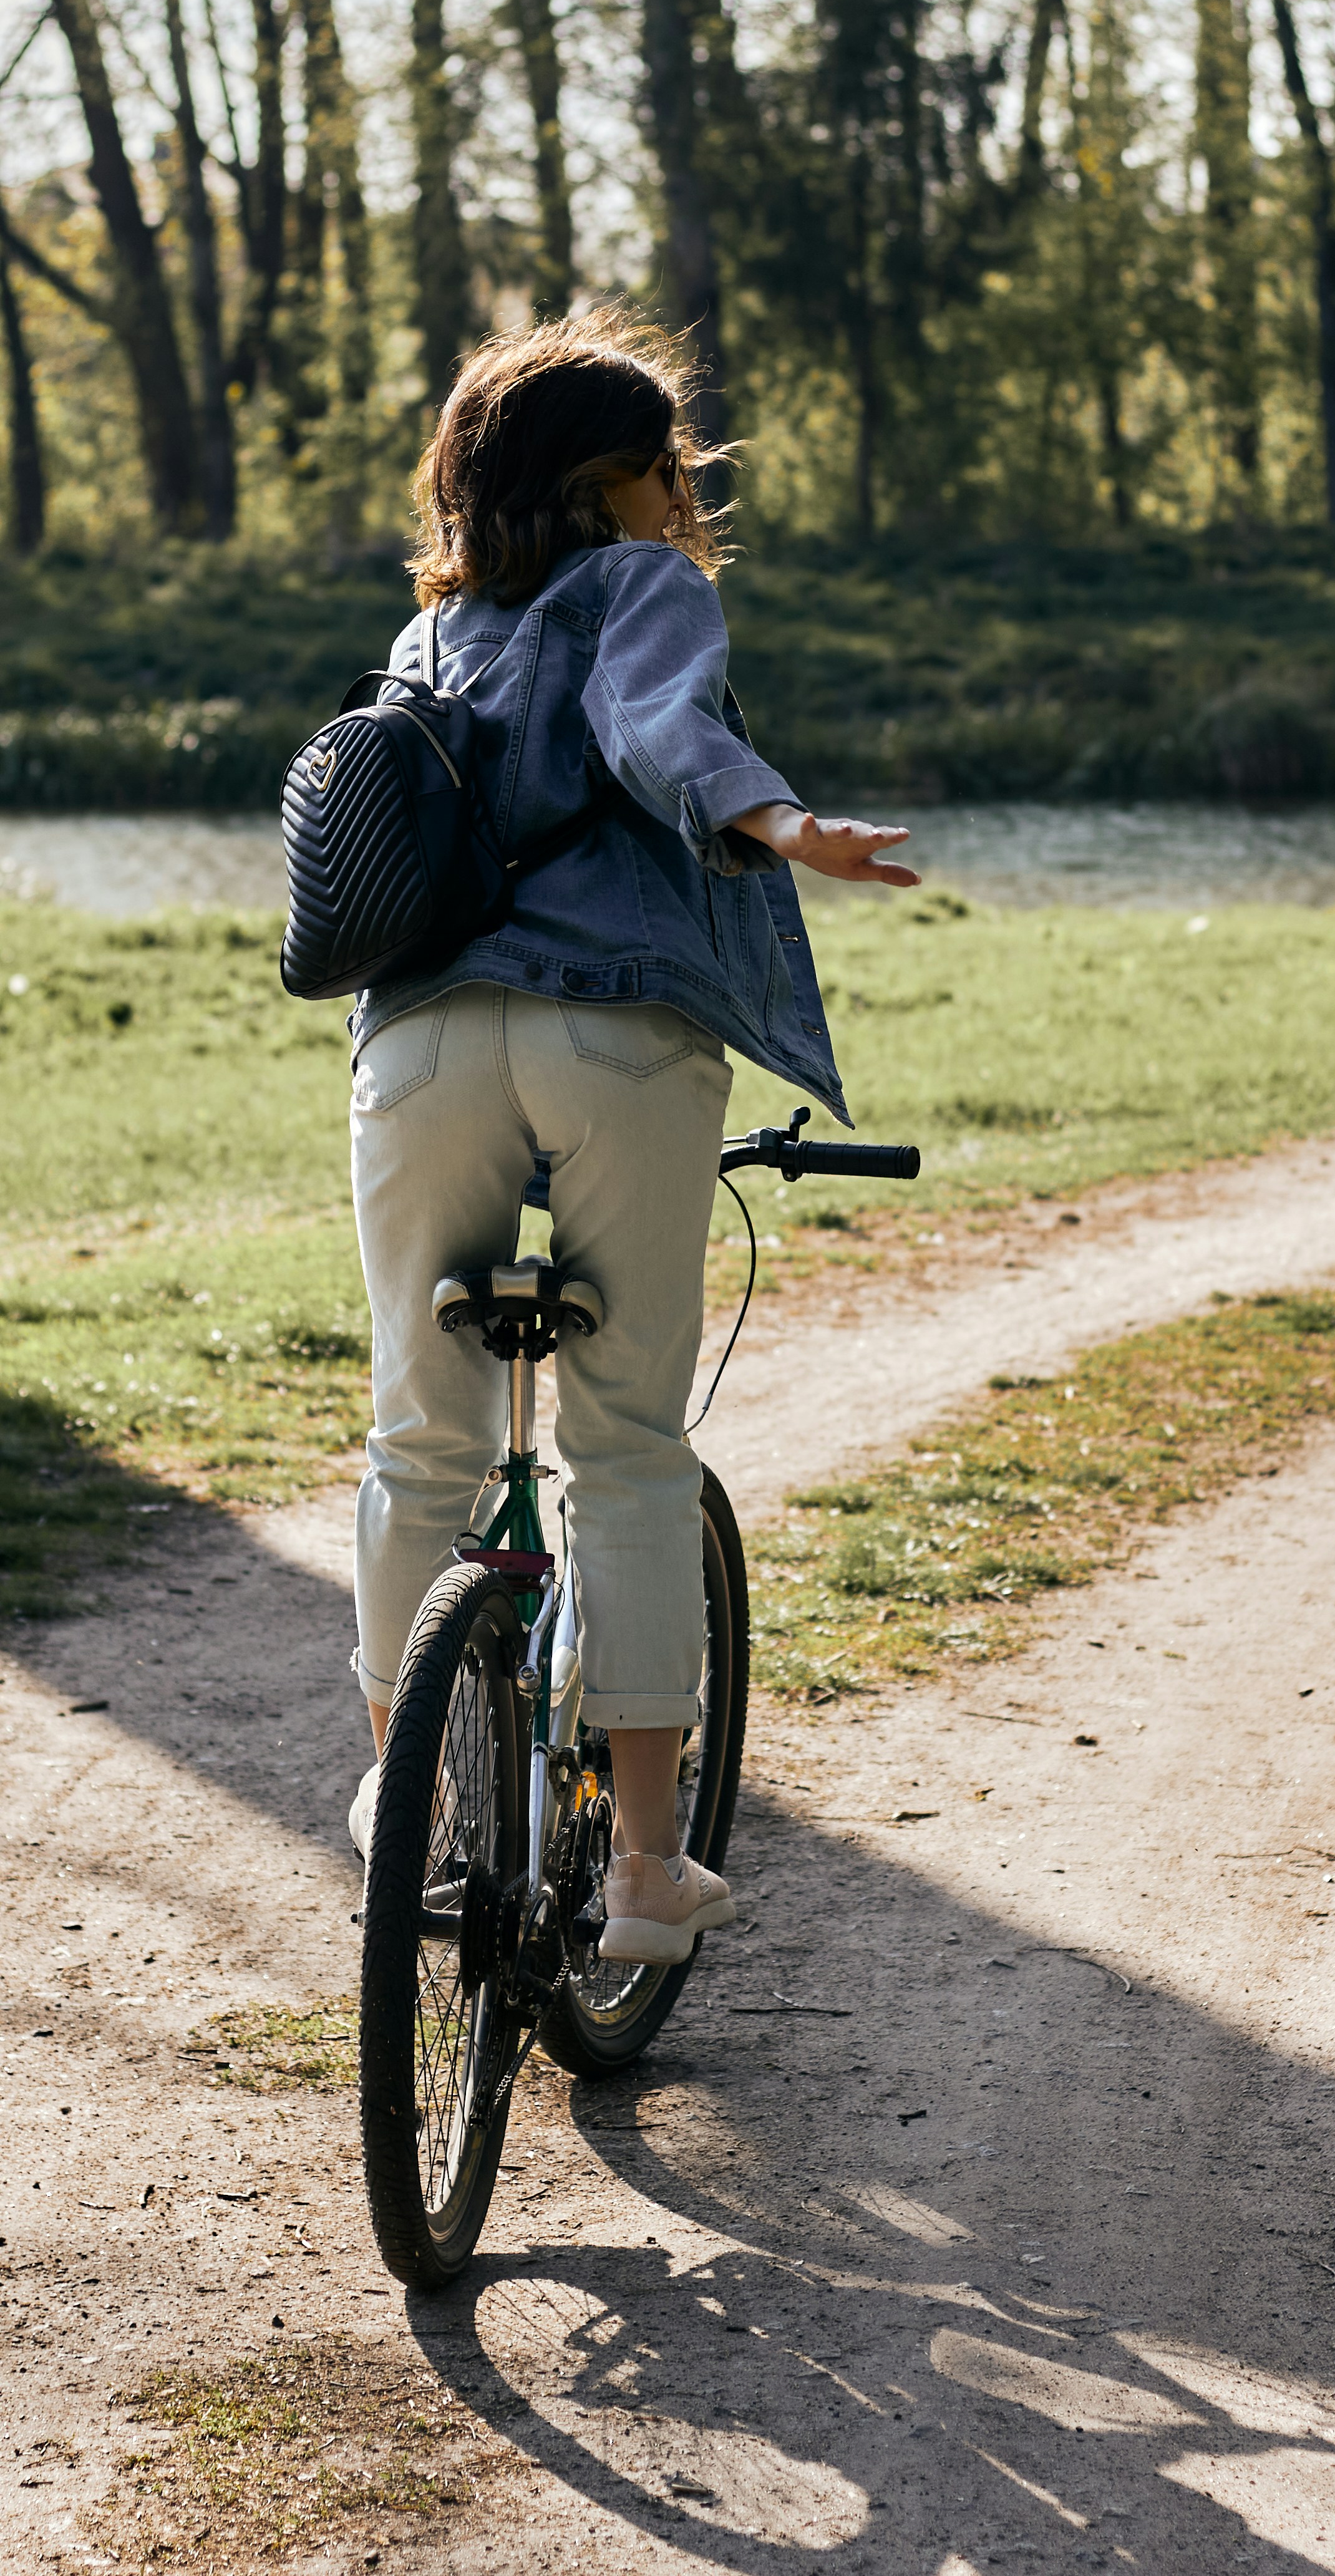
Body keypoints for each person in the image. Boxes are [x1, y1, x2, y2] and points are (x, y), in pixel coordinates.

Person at [344, 307, 917, 1962]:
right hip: (614, 1036)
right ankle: (649, 1866)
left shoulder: (430, 633)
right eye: (675, 466)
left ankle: (407, 1806)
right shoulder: (644, 584)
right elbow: (662, 725)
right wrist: (780, 822)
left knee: (417, 1442)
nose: (691, 493)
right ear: (612, 485)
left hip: (424, 1041)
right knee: (626, 1451)